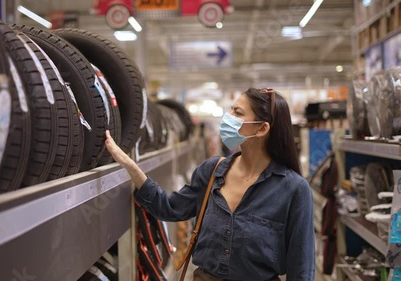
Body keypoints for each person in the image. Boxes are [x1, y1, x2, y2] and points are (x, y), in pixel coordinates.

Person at [104, 88, 315, 281]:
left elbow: (301, 269)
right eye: (230, 111)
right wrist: (131, 166)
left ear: (261, 129)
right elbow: (169, 208)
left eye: (238, 113)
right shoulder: (213, 171)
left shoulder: (293, 189)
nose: (227, 118)